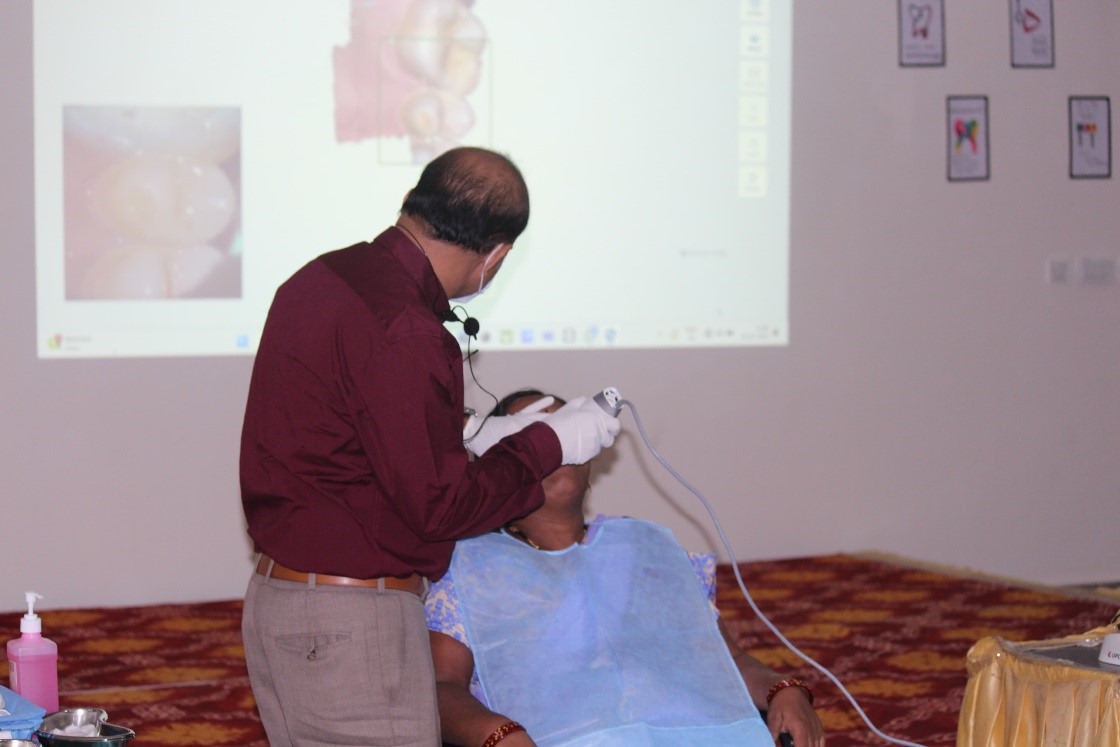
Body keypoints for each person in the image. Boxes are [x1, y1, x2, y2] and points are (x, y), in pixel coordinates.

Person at [239, 148, 620, 747]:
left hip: (282, 601)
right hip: (350, 621)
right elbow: (439, 508)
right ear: (497, 254)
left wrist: (479, 438)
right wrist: (548, 442)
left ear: (413, 202)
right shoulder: (410, 331)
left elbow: (349, 440)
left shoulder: (321, 278)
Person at [426, 390, 826, 747]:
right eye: (535, 434)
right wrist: (498, 734)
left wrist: (783, 688)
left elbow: (727, 660)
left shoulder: (647, 550)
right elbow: (442, 686)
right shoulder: (471, 567)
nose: (556, 442)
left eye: (566, 427)